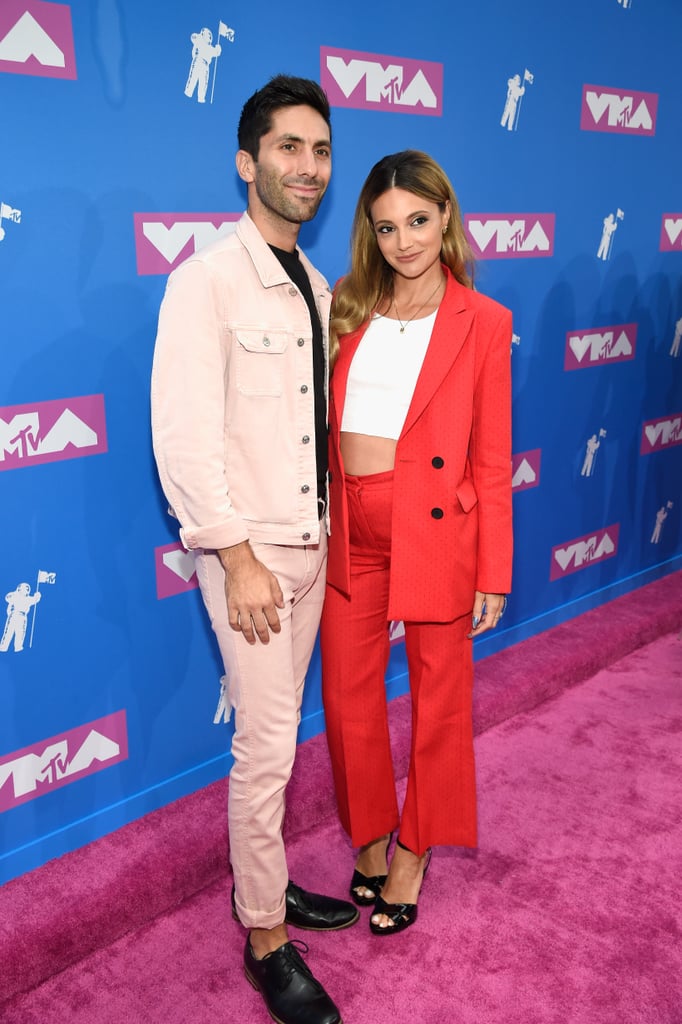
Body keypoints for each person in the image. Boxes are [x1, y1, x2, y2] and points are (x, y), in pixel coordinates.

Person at [151, 75, 358, 1024]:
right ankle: (266, 940)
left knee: (280, 738)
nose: (307, 168)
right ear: (247, 163)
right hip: (253, 557)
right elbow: (185, 439)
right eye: (288, 149)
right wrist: (234, 559)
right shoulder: (206, 280)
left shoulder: (315, 284)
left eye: (319, 151)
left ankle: (264, 894)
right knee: (267, 746)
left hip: (310, 545)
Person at [320, 150, 513, 936]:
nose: (404, 242)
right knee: (347, 699)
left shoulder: (483, 320)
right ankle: (368, 835)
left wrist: (492, 570)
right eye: (387, 226)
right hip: (351, 528)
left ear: (446, 217)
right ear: (370, 232)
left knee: (439, 705)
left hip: (437, 529)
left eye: (419, 222)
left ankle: (413, 849)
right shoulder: (348, 304)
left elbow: (494, 460)